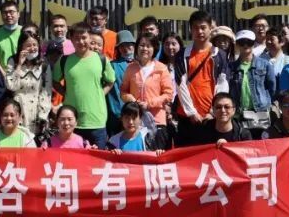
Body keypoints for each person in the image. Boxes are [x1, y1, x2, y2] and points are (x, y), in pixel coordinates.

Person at [172, 10, 230, 147]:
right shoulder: (182, 55)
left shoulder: (220, 55)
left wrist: (213, 112)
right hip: (187, 118)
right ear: (191, 30)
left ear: (210, 28)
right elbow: (180, 85)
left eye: (203, 27)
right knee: (186, 156)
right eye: (195, 28)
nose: (200, 31)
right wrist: (191, 112)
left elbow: (223, 84)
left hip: (211, 117)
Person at [53, 23, 116, 149]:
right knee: (73, 159)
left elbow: (110, 81)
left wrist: (100, 93)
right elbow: (55, 81)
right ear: (71, 40)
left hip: (96, 121)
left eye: (84, 37)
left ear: (90, 38)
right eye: (77, 38)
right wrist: (66, 93)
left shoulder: (101, 59)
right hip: (72, 123)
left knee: (98, 158)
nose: (81, 42)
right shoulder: (64, 60)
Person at [107, 102, 164, 217]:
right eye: (127, 118)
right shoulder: (113, 141)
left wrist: (159, 153)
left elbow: (156, 157)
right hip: (124, 181)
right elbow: (107, 165)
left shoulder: (148, 136)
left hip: (145, 178)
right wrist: (113, 154)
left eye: (134, 118)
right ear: (121, 119)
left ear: (140, 118)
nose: (131, 122)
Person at [119, 34, 174, 138]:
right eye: (142, 45)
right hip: (135, 121)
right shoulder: (130, 68)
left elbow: (168, 94)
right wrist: (132, 100)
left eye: (148, 46)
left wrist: (149, 104)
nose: (145, 49)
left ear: (154, 49)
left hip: (156, 120)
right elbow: (123, 91)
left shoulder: (161, 68)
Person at [4, 30, 52, 140]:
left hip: (36, 111)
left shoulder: (44, 65)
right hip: (18, 110)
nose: (32, 48)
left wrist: (42, 116)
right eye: (28, 45)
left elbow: (46, 92)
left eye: (35, 45)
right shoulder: (13, 61)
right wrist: (19, 64)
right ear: (21, 46)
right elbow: (11, 86)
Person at [231, 30, 277, 139]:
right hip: (239, 113)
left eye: (249, 42)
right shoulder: (231, 67)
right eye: (242, 42)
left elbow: (272, 88)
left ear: (253, 43)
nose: (245, 45)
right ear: (237, 45)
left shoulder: (265, 64)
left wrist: (265, 102)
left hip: (260, 112)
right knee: (243, 143)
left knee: (261, 142)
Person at [105, 30, 136, 135]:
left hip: (137, 113)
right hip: (117, 113)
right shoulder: (112, 65)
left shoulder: (141, 63)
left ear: (134, 45)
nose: (126, 48)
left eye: (128, 45)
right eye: (122, 46)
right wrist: (117, 112)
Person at [0, 0, 22, 69]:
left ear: (18, 14)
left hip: (24, 72)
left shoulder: (25, 32)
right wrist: (3, 73)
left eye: (11, 12)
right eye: (5, 12)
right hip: (5, 72)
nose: (8, 15)